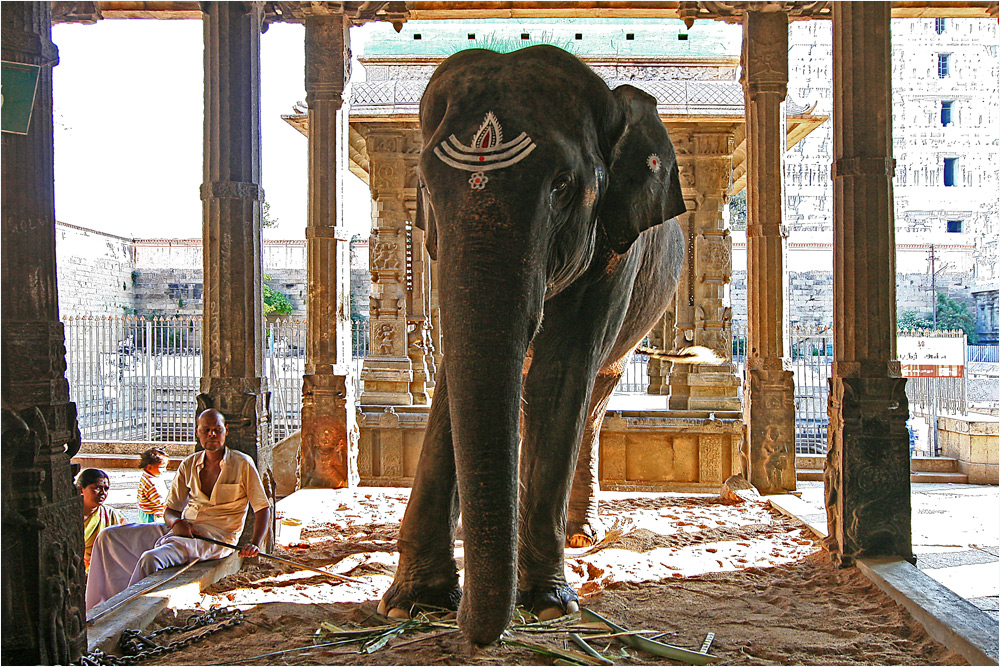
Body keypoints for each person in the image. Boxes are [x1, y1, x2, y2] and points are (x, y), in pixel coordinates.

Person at [86, 409, 271, 610]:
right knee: (108, 537)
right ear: (197, 432)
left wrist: (255, 543)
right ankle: (98, 605)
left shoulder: (242, 463)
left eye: (217, 430)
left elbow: (262, 507)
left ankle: (126, 613)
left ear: (226, 431)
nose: (212, 434)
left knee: (151, 559)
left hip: (216, 539)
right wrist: (177, 522)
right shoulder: (188, 464)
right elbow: (170, 510)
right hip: (183, 529)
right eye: (206, 430)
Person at [78, 468, 128, 573]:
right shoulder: (69, 516)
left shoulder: (110, 515)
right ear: (80, 489)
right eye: (97, 488)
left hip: (103, 572)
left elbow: (126, 539)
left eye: (106, 489)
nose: (103, 493)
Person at [137, 446, 169, 522]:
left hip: (148, 511)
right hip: (151, 514)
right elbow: (159, 501)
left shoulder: (151, 475)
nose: (164, 470)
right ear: (149, 467)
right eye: (162, 467)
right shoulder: (151, 482)